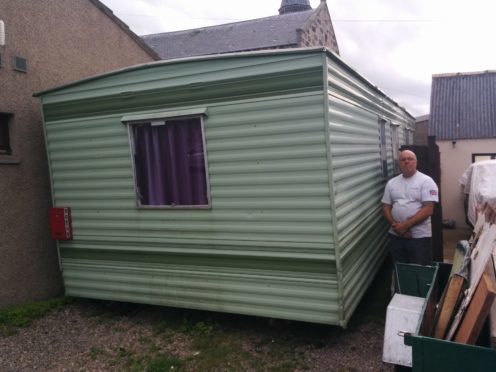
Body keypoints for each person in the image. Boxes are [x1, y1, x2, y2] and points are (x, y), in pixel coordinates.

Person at [382, 150, 439, 267]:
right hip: (396, 235)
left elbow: (428, 209)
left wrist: (405, 225)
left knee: (419, 270)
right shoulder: (391, 183)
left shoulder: (426, 181)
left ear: (416, 162)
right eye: (403, 159)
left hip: (418, 237)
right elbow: (386, 207)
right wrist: (397, 227)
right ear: (399, 163)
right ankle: (402, 286)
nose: (406, 161)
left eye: (410, 159)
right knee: (399, 269)